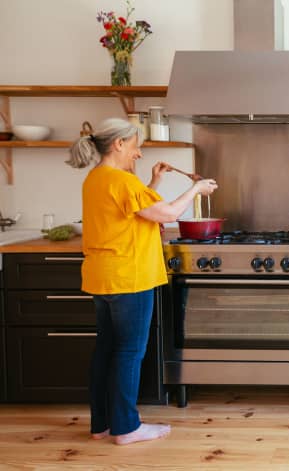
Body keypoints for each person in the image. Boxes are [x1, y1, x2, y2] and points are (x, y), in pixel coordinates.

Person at [67, 118, 218, 445]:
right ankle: (126, 428)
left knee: (106, 350)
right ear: (118, 144)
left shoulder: (97, 178)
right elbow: (166, 214)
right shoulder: (122, 181)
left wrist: (154, 181)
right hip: (130, 278)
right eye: (136, 145)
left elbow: (135, 210)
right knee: (129, 353)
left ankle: (102, 425)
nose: (138, 152)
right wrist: (196, 188)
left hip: (103, 277)